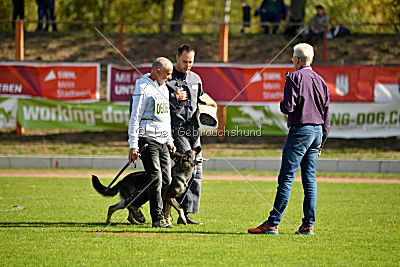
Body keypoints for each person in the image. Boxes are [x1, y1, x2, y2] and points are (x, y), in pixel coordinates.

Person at [248, 43, 330, 235]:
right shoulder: (321, 81)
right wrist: (322, 142)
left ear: (297, 60)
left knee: (286, 178)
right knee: (310, 180)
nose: (292, 61)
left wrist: (284, 96)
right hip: (317, 132)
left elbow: (288, 108)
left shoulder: (294, 77)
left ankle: (273, 223)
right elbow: (327, 115)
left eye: (293, 58)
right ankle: (307, 225)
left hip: (301, 131)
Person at [128, 57, 176, 228]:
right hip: (147, 138)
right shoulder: (143, 88)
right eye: (167, 74)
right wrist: (133, 145)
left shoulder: (164, 88)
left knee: (167, 180)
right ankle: (158, 219)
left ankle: (134, 203)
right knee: (155, 177)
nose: (169, 77)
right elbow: (135, 117)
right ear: (157, 71)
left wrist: (170, 140)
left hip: (163, 139)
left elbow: (166, 118)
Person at [166, 44, 204, 224]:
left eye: (191, 61)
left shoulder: (196, 79)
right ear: (177, 58)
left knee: (197, 171)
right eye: (185, 61)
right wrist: (173, 99)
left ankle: (186, 212)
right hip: (177, 129)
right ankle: (175, 209)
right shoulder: (167, 79)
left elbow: (202, 100)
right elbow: (158, 105)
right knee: (186, 168)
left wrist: (208, 107)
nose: (188, 65)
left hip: (194, 130)